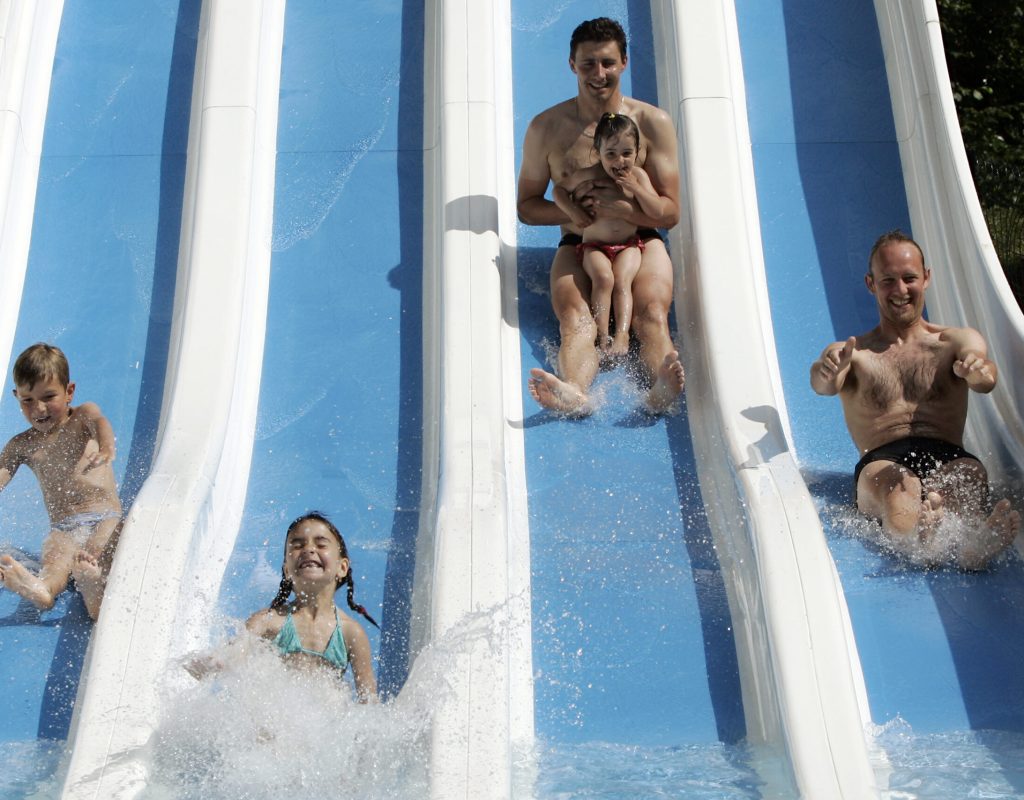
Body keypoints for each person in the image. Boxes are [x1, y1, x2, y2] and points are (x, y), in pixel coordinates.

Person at [810, 230, 1020, 569]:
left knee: (968, 475)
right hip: (881, 460)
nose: (900, 290)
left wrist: (977, 371)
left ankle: (969, 551)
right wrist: (826, 371)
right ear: (871, 284)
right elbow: (824, 383)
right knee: (899, 490)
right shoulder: (854, 353)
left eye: (909, 278)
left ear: (926, 277)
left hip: (947, 452)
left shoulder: (954, 342)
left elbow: (986, 379)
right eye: (888, 280)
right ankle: (920, 539)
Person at [518, 17, 685, 415]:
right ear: (572, 65)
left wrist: (627, 208)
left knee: (650, 314)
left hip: (642, 242)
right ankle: (574, 392)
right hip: (579, 243)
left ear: (625, 62)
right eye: (588, 63)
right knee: (577, 321)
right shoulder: (546, 128)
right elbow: (526, 206)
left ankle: (662, 386)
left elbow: (671, 212)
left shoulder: (652, 123)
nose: (599, 73)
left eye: (608, 62)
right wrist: (571, 213)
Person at [0, 343, 122, 619]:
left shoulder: (82, 417)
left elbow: (101, 422)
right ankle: (43, 589)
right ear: (16, 396)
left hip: (105, 516)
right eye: (27, 400)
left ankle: (93, 588)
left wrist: (106, 447)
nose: (39, 408)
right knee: (55, 559)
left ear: (69, 392)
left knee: (99, 548)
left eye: (49, 396)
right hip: (64, 526)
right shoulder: (21, 445)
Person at [554, 112, 668, 357]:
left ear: (636, 151)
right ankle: (602, 335)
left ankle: (622, 335)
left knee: (622, 279)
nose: (620, 161)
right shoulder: (589, 174)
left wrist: (636, 189)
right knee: (604, 278)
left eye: (627, 153)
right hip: (594, 246)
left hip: (629, 245)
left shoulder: (638, 176)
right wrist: (572, 211)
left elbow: (657, 211)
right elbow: (559, 191)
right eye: (611, 154)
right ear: (598, 151)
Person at [244, 512, 378, 701]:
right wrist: (217, 662)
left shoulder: (351, 632)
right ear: (287, 570)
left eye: (321, 544)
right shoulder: (268, 621)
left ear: (342, 567)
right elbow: (235, 653)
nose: (309, 550)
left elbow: (369, 701)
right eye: (298, 545)